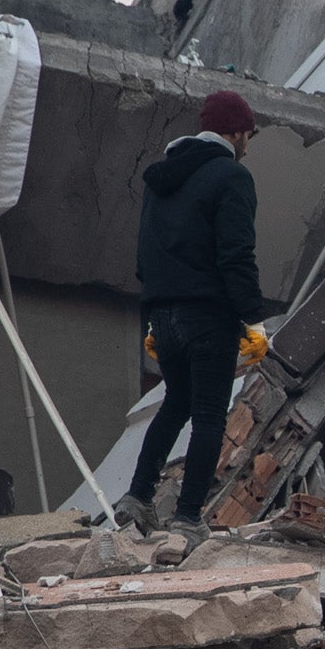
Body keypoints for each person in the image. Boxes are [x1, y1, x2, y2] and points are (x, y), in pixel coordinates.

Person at [119, 90, 268, 531]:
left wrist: (154, 317)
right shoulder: (231, 177)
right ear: (237, 132)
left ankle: (138, 497)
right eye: (249, 135)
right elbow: (237, 256)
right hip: (208, 316)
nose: (249, 145)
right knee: (207, 414)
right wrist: (253, 319)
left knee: (175, 404)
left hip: (162, 317)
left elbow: (144, 257)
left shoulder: (161, 179)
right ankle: (186, 518)